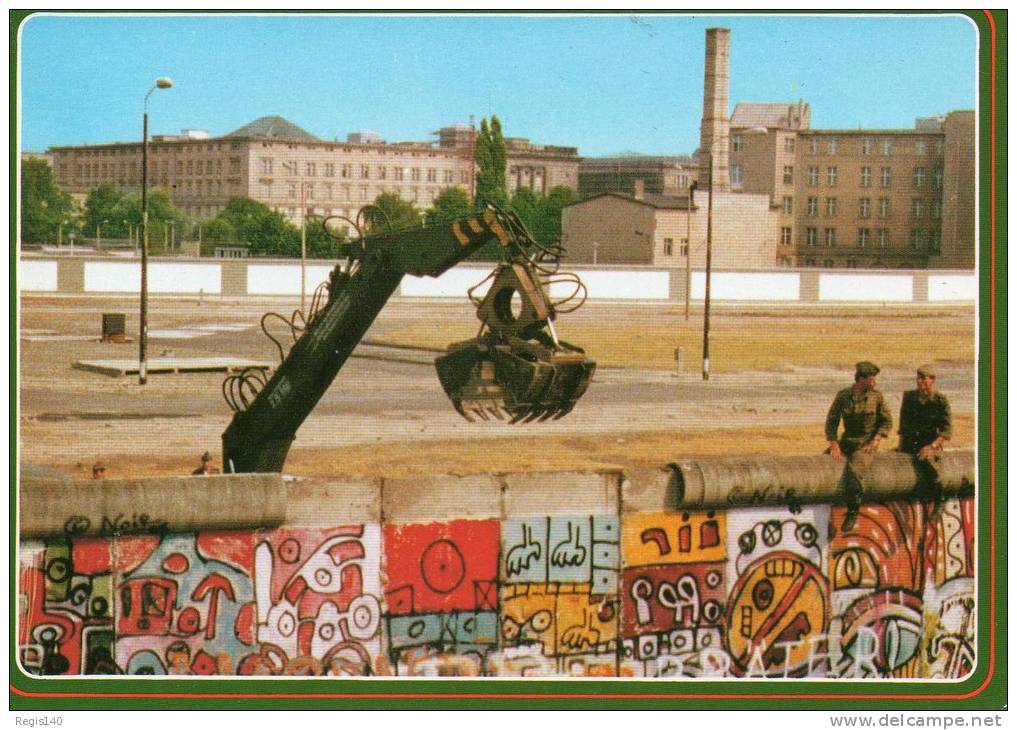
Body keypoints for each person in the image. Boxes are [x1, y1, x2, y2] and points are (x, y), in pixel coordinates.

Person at [825, 361, 893, 531]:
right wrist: (834, 444)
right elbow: (831, 421)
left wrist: (876, 440)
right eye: (871, 379)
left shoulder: (876, 397)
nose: (874, 382)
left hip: (865, 444)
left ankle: (853, 511)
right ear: (861, 379)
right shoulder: (843, 396)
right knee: (824, 463)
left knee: (854, 473)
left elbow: (887, 421)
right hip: (847, 441)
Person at [898, 364, 952, 516]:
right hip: (911, 442)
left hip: (930, 443)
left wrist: (932, 446)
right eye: (919, 378)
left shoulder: (940, 400)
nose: (920, 382)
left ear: (932, 381)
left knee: (925, 459)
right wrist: (901, 444)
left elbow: (946, 431)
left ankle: (940, 495)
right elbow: (904, 424)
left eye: (924, 379)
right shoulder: (909, 397)